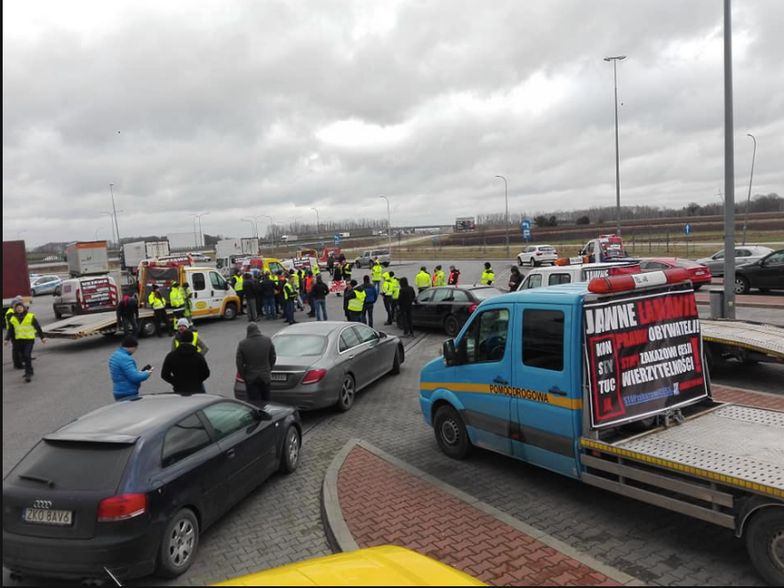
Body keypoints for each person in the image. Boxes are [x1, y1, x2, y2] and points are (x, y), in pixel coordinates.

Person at [4, 300, 47, 382]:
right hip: (19, 341)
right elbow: (10, 330)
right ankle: (29, 370)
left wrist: (42, 337)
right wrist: (6, 339)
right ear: (15, 309)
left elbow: (37, 327)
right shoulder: (13, 318)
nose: (19, 309)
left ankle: (28, 374)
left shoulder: (30, 316)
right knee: (23, 357)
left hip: (29, 340)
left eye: (20, 307)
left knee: (27, 355)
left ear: (23, 308)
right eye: (17, 308)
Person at [236, 323, 277, 405]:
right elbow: (273, 356)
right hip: (265, 376)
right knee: (267, 401)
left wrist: (244, 376)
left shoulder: (243, 344)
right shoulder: (267, 340)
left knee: (254, 403)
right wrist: (269, 368)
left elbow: (239, 363)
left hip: (251, 378)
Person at [108, 335, 151, 401]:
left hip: (118, 390)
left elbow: (124, 373)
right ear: (132, 347)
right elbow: (135, 377)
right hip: (128, 392)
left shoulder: (115, 355)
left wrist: (140, 372)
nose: (135, 351)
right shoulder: (126, 359)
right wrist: (147, 373)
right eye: (136, 348)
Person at [5, 295, 25, 370]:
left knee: (19, 348)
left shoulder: (13, 311)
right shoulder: (10, 313)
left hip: (17, 332)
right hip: (13, 333)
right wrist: (7, 338)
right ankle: (17, 365)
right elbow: (12, 325)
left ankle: (20, 361)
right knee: (16, 350)